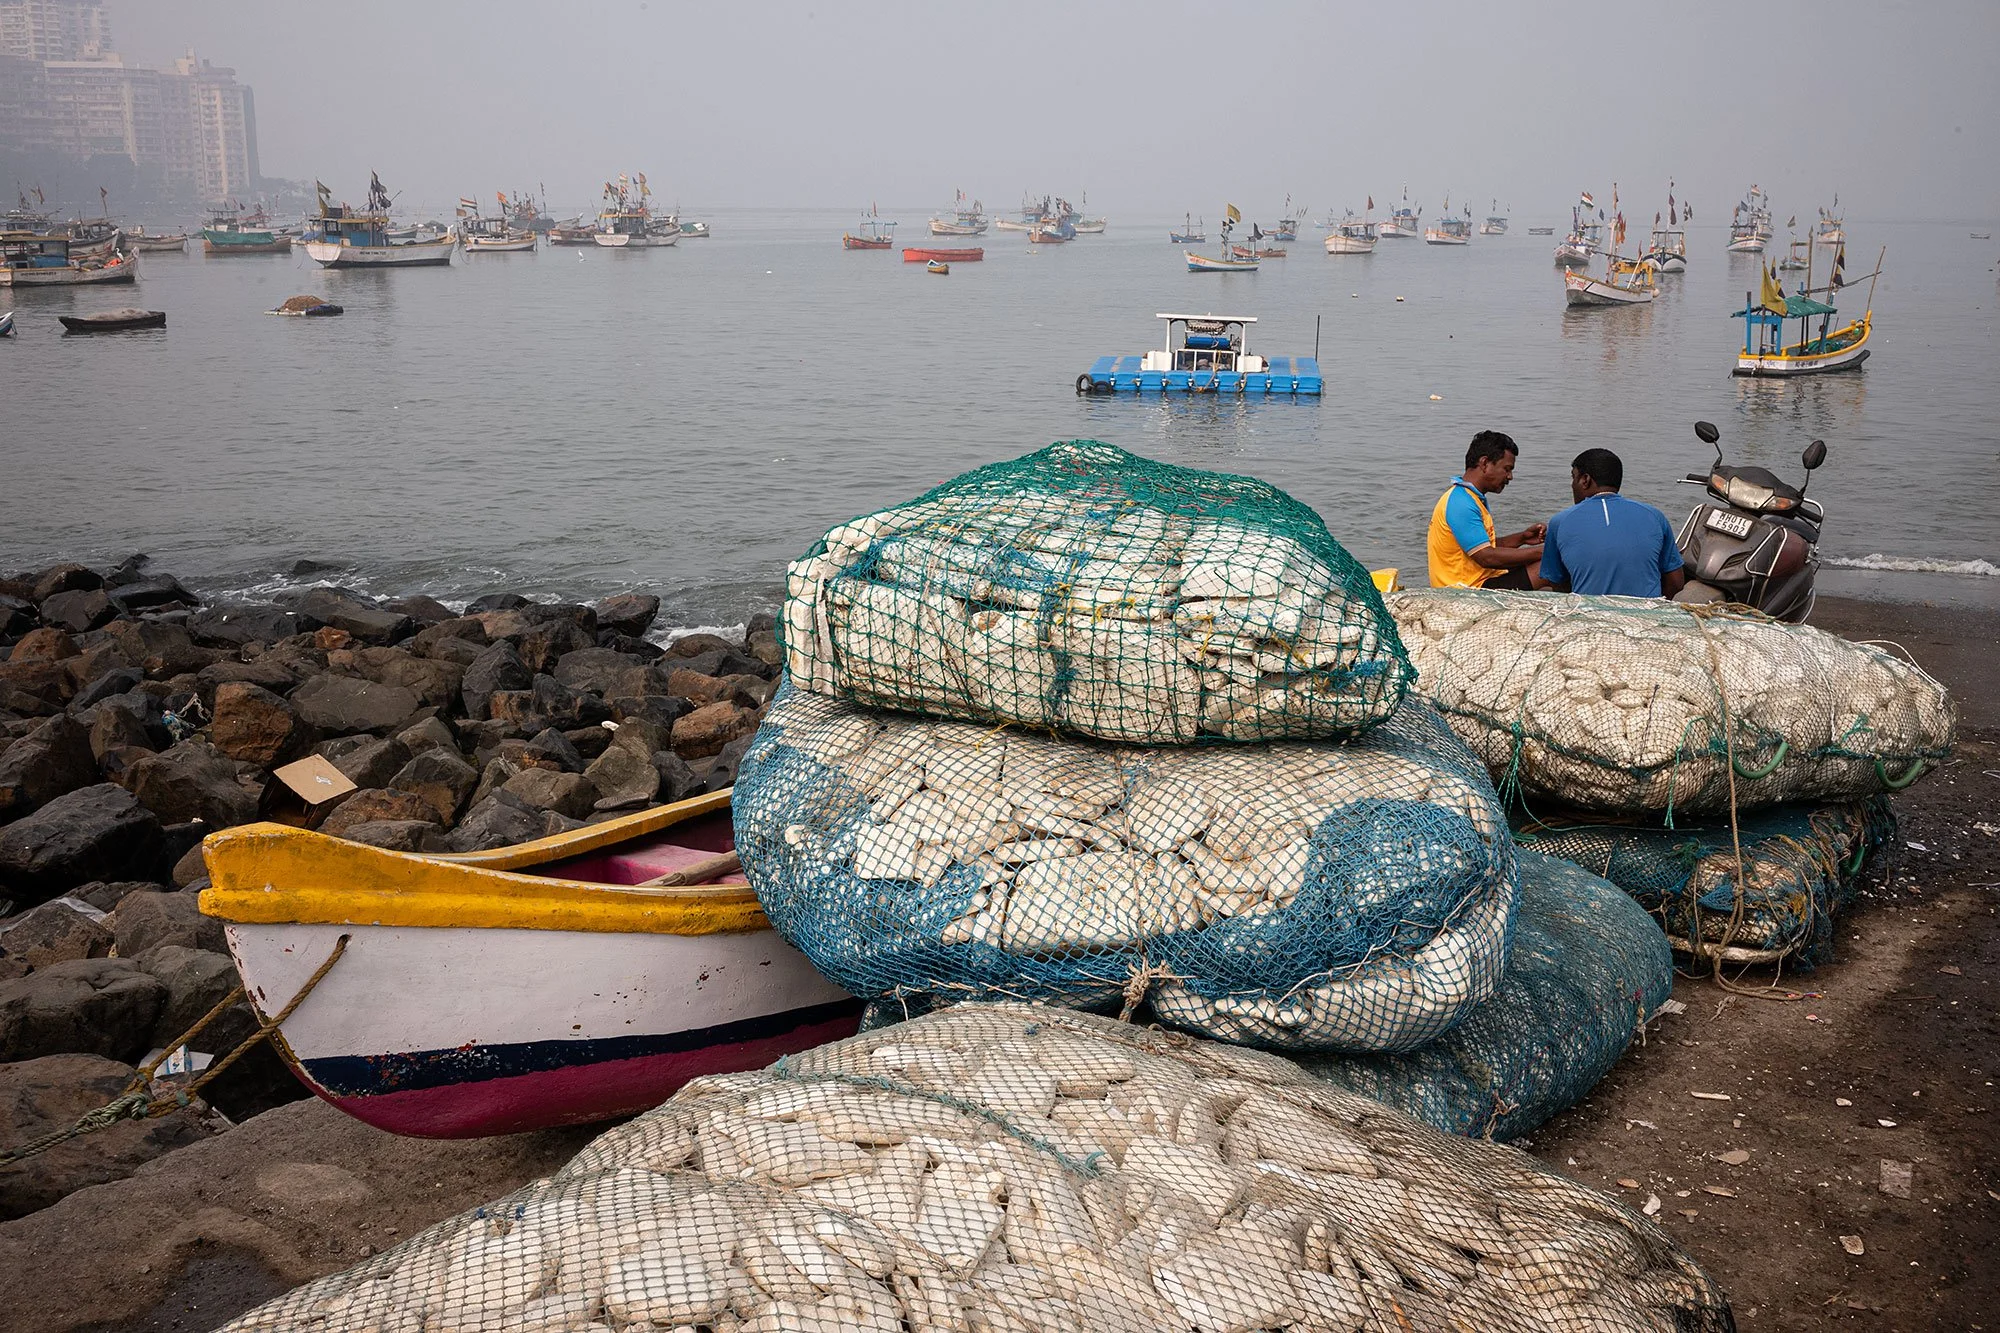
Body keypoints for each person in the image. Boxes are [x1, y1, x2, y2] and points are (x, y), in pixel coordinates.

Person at [1538, 448, 1687, 597]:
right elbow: (1676, 582)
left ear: (1585, 480)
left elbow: (1557, 583)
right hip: (1647, 614)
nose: (1572, 485)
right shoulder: (1655, 516)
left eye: (1573, 477)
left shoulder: (1560, 521)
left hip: (1589, 615)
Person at [1427, 431, 1547, 589]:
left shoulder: (1469, 497)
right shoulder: (1461, 503)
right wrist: (1545, 552)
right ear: (1484, 463)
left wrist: (1522, 538)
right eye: (1507, 469)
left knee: (1543, 564)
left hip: (1481, 579)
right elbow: (1487, 557)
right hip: (1466, 592)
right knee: (1549, 568)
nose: (1510, 477)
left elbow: (1484, 546)